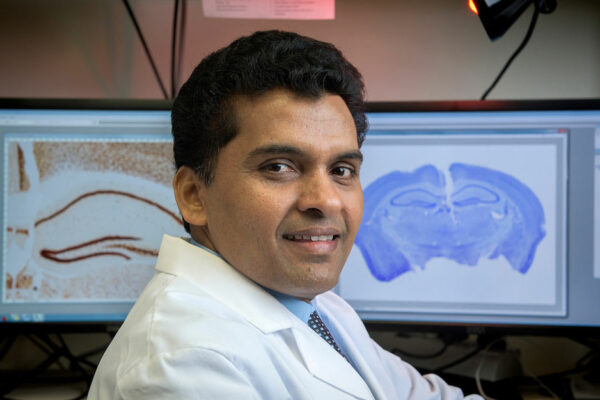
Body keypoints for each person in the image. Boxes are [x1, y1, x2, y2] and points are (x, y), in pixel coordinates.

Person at [89, 30, 482, 399]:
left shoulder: (312, 304)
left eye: (341, 170)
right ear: (194, 195)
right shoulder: (181, 363)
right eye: (279, 167)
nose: (325, 201)